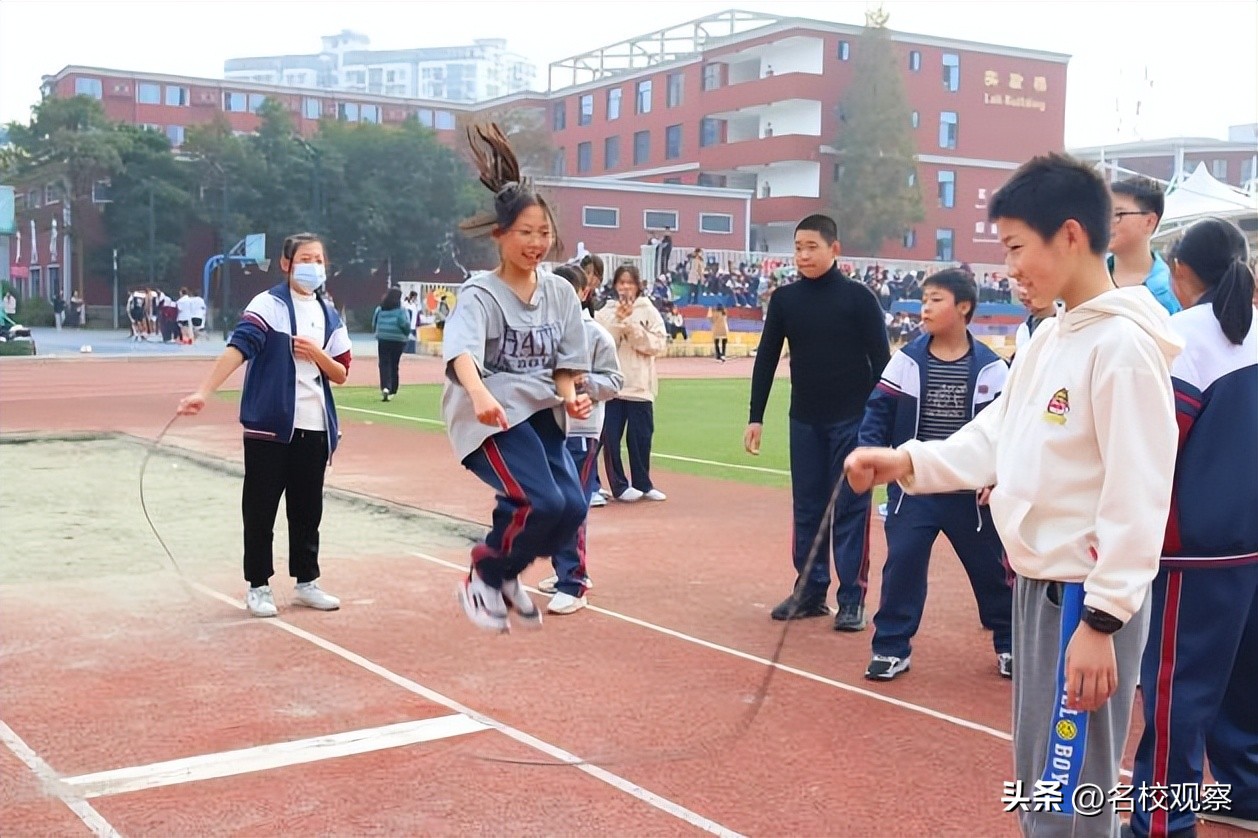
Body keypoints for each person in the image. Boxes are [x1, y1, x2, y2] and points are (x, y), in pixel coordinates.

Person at [844, 153, 1181, 838]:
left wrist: (1105, 620)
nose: (1011, 267)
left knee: (1072, 792)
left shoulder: (1120, 348)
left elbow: (1139, 491)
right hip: (1039, 590)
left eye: (1016, 248)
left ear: (1070, 236)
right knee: (1042, 786)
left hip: (1084, 601)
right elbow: (994, 437)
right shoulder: (1051, 336)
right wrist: (905, 459)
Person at [1128, 218, 1258, 838]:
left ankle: (1162, 822)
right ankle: (1247, 792)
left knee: (1176, 695)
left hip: (1194, 552)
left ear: (1179, 270)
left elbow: (1156, 446)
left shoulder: (1178, 338)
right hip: (1251, 544)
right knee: (1244, 683)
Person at [442, 123, 592, 632]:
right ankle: (485, 572)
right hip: (490, 416)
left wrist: (571, 398)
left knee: (571, 508)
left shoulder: (561, 293)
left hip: (541, 411)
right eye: (525, 233)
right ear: (500, 236)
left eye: (544, 233)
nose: (536, 243)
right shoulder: (480, 294)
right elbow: (461, 352)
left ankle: (507, 573)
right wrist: (482, 394)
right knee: (541, 500)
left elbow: (568, 360)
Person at [177, 232, 352, 618]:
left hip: (315, 427)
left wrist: (316, 354)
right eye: (306, 259)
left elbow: (341, 372)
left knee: (308, 511)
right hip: (270, 429)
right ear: (286, 264)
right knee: (260, 510)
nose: (314, 267)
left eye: (320, 260)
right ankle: (258, 585)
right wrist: (204, 391)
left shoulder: (329, 314)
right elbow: (238, 348)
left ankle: (307, 582)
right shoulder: (268, 305)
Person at [856, 269, 1013, 681]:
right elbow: (878, 411)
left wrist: (995, 478)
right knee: (902, 564)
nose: (925, 307)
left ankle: (1010, 643)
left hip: (970, 494)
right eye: (924, 299)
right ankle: (891, 647)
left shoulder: (993, 368)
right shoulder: (907, 360)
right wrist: (869, 451)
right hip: (915, 489)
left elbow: (1009, 432)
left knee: (993, 570)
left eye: (936, 299)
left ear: (964, 308)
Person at [745, 214, 890, 630]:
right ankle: (809, 591)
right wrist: (756, 416)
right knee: (807, 509)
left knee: (849, 507)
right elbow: (767, 359)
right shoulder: (785, 301)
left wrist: (880, 425)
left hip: (853, 421)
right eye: (798, 247)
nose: (803, 255)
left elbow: (883, 364)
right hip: (804, 420)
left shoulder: (859, 299)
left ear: (834, 250)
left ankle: (851, 599)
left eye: (812, 247)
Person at [537, 264, 624, 613]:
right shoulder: (540, 332)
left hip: (581, 433)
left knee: (572, 505)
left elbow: (615, 382)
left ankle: (573, 583)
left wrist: (584, 382)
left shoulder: (595, 336)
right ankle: (565, 569)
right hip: (545, 429)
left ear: (584, 294)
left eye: (567, 293)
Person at [597, 264, 669, 502]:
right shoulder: (606, 311)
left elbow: (658, 345)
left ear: (638, 285)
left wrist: (633, 329)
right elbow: (601, 341)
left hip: (640, 385)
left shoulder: (649, 311)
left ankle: (643, 483)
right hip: (613, 385)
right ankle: (618, 485)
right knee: (610, 438)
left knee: (641, 437)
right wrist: (619, 322)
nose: (626, 287)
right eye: (621, 282)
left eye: (630, 282)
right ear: (615, 285)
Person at [1108, 176, 1181, 315]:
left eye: (1118, 214)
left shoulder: (1170, 292)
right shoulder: (1089, 285)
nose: (1108, 222)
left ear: (1149, 222)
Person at [372, 287, 411, 402]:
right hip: (398, 340)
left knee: (384, 363)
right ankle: (393, 389)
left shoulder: (380, 309)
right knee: (394, 364)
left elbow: (374, 322)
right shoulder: (401, 311)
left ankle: (385, 387)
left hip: (383, 338)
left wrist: (378, 332)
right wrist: (406, 335)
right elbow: (405, 324)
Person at [1013, 281, 1057, 354]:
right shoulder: (1024, 329)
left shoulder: (1066, 322)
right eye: (1024, 302)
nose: (1023, 292)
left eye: (1029, 301)